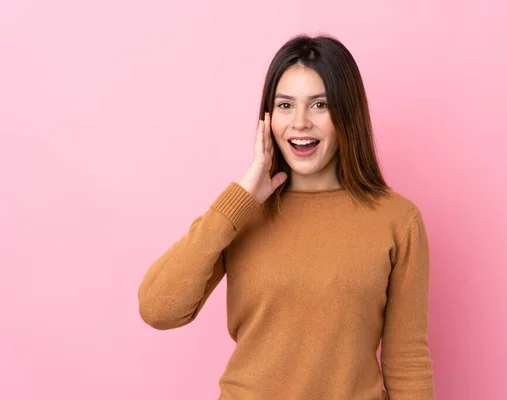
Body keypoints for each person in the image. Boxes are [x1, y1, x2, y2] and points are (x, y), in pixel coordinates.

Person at [138, 33, 436, 400]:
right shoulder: (242, 214)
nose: (299, 123)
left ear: (348, 113)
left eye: (319, 105)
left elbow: (407, 362)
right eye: (284, 106)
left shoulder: (398, 221)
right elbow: (158, 308)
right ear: (267, 117)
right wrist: (240, 198)